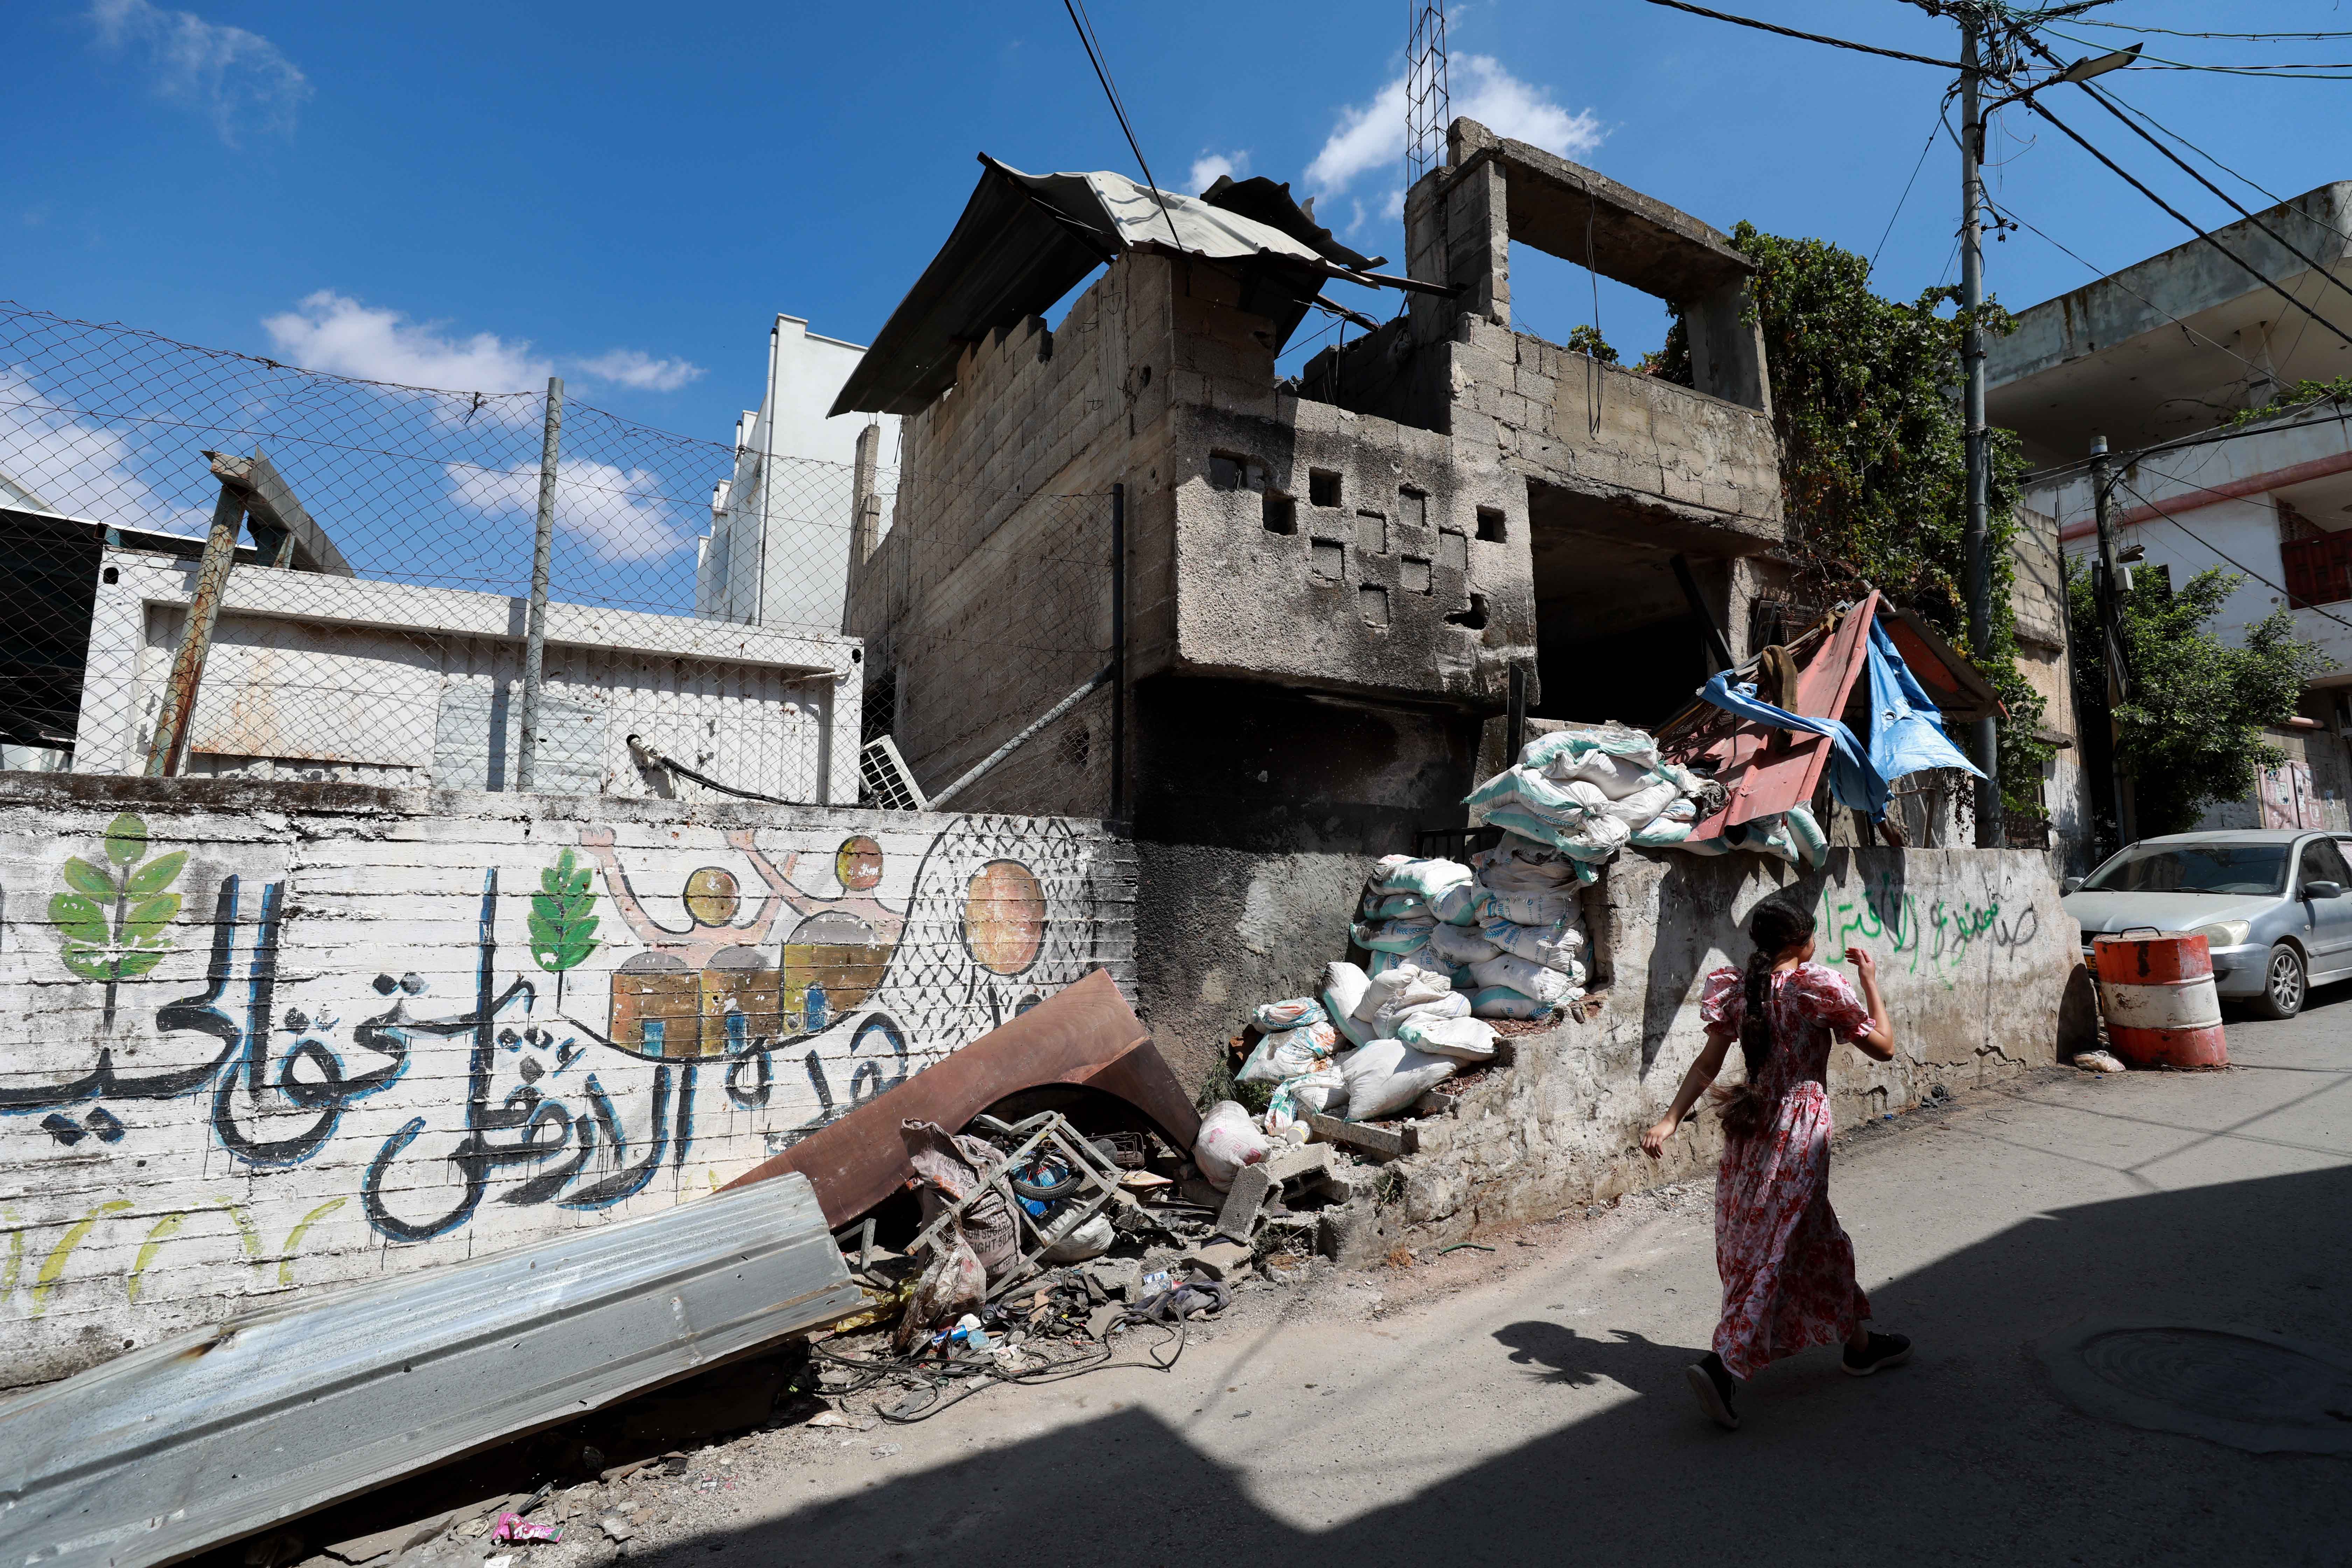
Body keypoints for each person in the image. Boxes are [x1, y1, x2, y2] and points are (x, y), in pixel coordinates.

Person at [1640, 894, 1911, 1430]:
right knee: (1777, 1244)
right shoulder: (1817, 985)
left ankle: (1859, 1347)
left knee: (1811, 1237)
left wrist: (1671, 1119)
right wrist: (1872, 982)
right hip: (1798, 1129)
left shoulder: (1738, 988)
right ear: (1798, 943)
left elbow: (1706, 1065)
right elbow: (1884, 1047)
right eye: (1812, 934)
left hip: (1750, 1129)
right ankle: (1724, 1366)